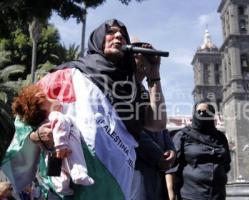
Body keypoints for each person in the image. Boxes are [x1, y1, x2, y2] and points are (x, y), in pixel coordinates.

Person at [2, 19, 166, 200]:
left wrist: (154, 76)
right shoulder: (69, 74)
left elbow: (157, 123)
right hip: (66, 187)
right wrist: (36, 135)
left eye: (123, 35)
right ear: (97, 39)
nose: (118, 35)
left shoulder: (133, 89)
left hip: (115, 189)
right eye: (110, 31)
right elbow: (24, 115)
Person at [11, 84, 94, 195]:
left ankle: (61, 187)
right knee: (74, 161)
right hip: (65, 147)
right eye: (49, 100)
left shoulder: (42, 121)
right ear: (43, 107)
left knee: (57, 174)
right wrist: (60, 146)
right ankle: (79, 175)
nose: (55, 99)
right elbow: (60, 123)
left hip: (51, 155)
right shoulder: (55, 115)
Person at [130, 39, 175, 200]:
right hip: (135, 168)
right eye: (138, 53)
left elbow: (160, 124)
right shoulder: (121, 87)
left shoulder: (146, 90)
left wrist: (171, 148)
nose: (144, 58)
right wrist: (158, 155)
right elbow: (132, 129)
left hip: (153, 172)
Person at [166, 100, 231, 200]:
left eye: (205, 112)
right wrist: (171, 194)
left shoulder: (220, 137)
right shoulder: (183, 135)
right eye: (199, 112)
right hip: (191, 195)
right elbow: (171, 166)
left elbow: (226, 164)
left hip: (218, 195)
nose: (201, 114)